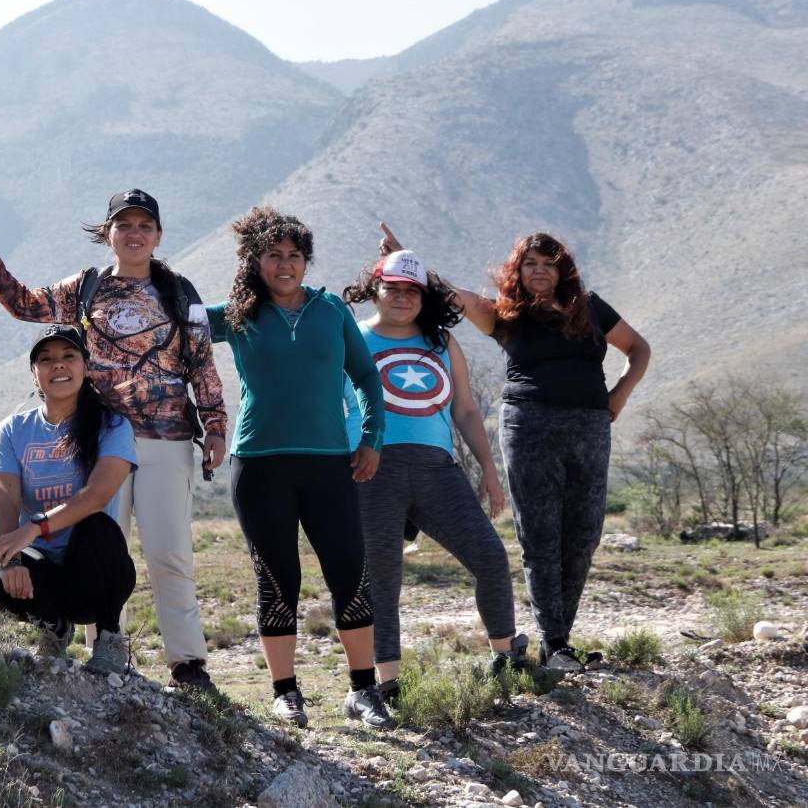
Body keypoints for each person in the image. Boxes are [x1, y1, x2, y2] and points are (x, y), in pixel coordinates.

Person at [0, 189, 226, 691]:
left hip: (166, 436)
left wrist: (214, 423)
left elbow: (201, 362)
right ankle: (103, 651)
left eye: (144, 225)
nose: (134, 233)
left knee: (169, 551)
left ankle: (187, 663)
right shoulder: (85, 287)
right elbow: (25, 304)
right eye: (123, 224)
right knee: (97, 543)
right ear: (108, 233)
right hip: (101, 437)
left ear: (158, 236)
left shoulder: (180, 292)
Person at [380, 224, 651, 672]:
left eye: (549, 264)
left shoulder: (590, 309)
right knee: (541, 534)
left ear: (563, 271)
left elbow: (638, 349)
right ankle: (556, 642)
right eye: (531, 264)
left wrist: (618, 395)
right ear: (517, 271)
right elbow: (454, 297)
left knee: (584, 535)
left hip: (589, 426)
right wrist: (406, 262)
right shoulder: (504, 314)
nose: (540, 271)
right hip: (529, 425)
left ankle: (557, 642)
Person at [207, 205, 392, 729]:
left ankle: (363, 691)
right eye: (273, 255)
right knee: (277, 577)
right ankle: (285, 693)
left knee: (347, 571)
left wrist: (372, 439)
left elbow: (367, 379)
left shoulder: (331, 310)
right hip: (259, 465)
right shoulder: (237, 314)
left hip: (330, 463)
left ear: (306, 262)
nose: (285, 265)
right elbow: (171, 325)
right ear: (256, 260)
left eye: (294, 256)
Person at [342, 249, 526, 705]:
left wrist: (489, 470)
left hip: (436, 469)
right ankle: (388, 682)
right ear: (375, 291)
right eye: (392, 288)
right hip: (371, 471)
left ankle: (506, 656)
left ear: (423, 297)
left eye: (412, 290)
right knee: (381, 580)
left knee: (489, 556)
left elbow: (464, 409)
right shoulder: (351, 340)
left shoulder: (441, 342)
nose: (402, 298)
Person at [0, 324, 137, 675]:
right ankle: (54, 628)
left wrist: (35, 527)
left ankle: (109, 638)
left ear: (85, 366)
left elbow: (97, 495)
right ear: (35, 374)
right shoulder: (12, 430)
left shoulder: (112, 425)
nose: (59, 366)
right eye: (47, 359)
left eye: (69, 356)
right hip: (45, 576)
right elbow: (6, 503)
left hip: (95, 573)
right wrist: (11, 558)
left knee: (98, 527)